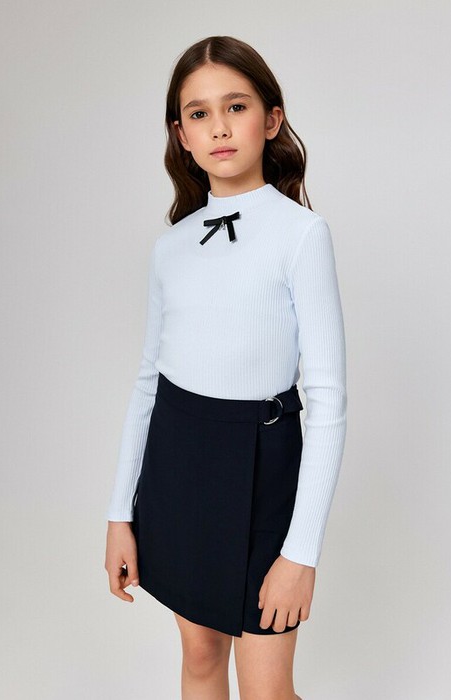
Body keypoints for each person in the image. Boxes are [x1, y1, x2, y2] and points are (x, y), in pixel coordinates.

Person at [104, 35, 347, 700]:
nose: (218, 127)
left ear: (270, 119)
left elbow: (327, 400)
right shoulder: (171, 247)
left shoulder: (301, 235)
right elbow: (148, 383)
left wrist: (301, 553)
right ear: (180, 134)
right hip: (179, 466)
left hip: (265, 465)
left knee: (267, 689)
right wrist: (119, 514)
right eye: (199, 113)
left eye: (235, 106)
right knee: (201, 654)